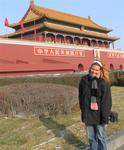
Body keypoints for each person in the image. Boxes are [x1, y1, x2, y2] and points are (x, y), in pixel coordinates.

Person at [79, 60, 112, 150]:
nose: (94, 71)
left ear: (100, 71)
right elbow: (81, 96)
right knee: (91, 138)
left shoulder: (104, 83)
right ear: (90, 69)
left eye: (97, 70)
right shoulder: (84, 80)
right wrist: (83, 111)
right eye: (93, 69)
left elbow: (107, 102)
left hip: (99, 115)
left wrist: (105, 119)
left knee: (101, 138)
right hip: (88, 115)